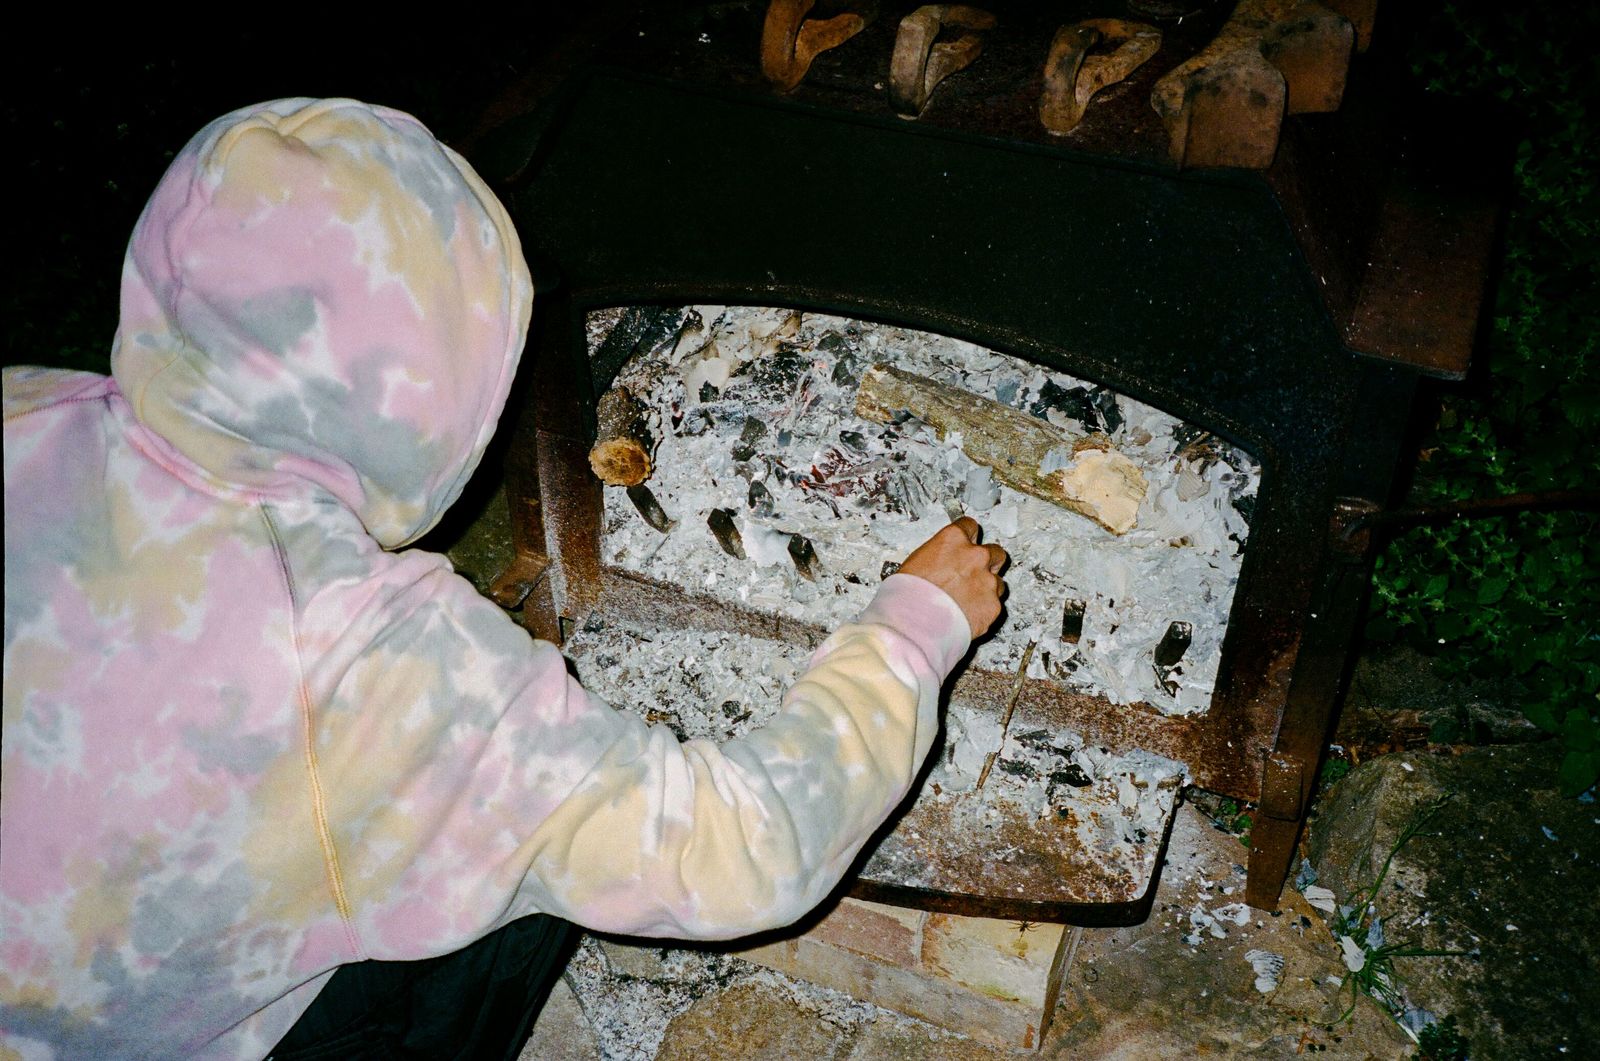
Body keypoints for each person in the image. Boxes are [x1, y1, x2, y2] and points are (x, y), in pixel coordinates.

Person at [1, 98, 1007, 1058]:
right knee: (509, 886)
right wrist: (912, 625)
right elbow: (748, 848)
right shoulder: (370, 664)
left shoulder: (21, 416)